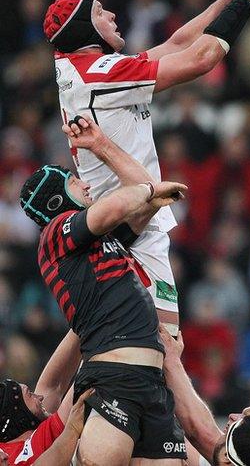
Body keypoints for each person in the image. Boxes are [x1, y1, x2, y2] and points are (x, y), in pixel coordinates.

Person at [43, 0, 250, 337]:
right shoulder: (101, 74)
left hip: (124, 220)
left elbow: (177, 43)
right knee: (159, 349)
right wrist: (249, 0)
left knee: (125, 347)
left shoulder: (87, 70)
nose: (112, 16)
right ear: (85, 31)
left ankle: (49, 399)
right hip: (131, 225)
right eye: (101, 13)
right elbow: (200, 59)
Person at [20, 117, 189, 465]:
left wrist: (100, 145)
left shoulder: (99, 242)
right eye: (72, 181)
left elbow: (146, 192)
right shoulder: (55, 234)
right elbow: (129, 199)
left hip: (151, 382)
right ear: (55, 203)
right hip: (113, 377)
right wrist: (148, 192)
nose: (84, 185)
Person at [160, 325, 250, 466]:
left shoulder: (231, 459)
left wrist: (171, 361)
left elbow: (200, 432)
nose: (233, 416)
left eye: (247, 418)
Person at [0, 329, 84, 465]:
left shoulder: (11, 446)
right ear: (18, 414)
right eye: (30, 394)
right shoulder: (26, 454)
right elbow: (86, 380)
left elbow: (53, 385)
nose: (40, 397)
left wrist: (84, 321)